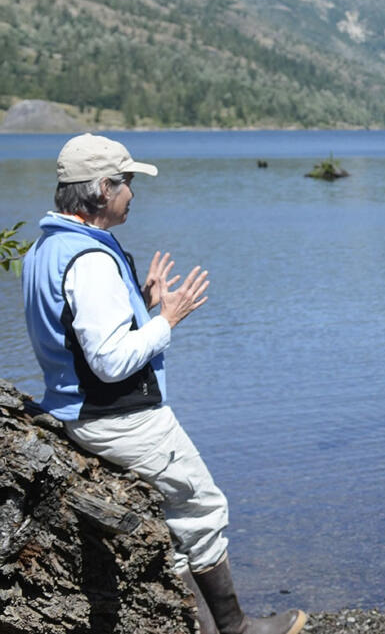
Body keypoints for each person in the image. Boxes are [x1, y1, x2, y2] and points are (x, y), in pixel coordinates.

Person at [22, 133, 306, 634]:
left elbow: (73, 335)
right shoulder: (90, 262)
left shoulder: (47, 248)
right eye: (128, 182)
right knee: (202, 507)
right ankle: (233, 628)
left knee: (176, 514)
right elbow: (109, 363)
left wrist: (141, 306)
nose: (133, 193)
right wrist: (166, 320)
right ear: (103, 189)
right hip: (122, 419)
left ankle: (189, 622)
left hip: (77, 413)